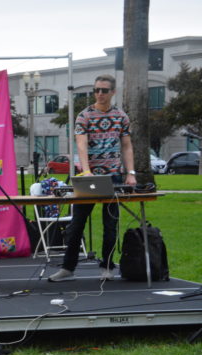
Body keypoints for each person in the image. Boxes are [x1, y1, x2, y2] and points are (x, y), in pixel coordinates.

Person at [48, 74, 136, 282]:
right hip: (88, 178)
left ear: (113, 92)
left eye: (104, 90)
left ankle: (107, 266)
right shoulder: (84, 115)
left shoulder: (121, 117)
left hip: (113, 176)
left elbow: (126, 145)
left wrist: (131, 173)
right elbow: (81, 144)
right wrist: (86, 171)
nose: (99, 94)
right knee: (76, 223)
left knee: (110, 225)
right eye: (96, 90)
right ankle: (68, 268)